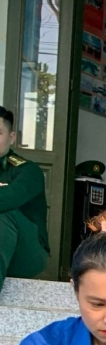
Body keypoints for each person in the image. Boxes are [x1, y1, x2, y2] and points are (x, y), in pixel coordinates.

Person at [0, 105, 50, 291]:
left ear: (11, 138)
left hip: (28, 252)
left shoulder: (29, 171)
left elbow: (10, 197)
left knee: (4, 213)